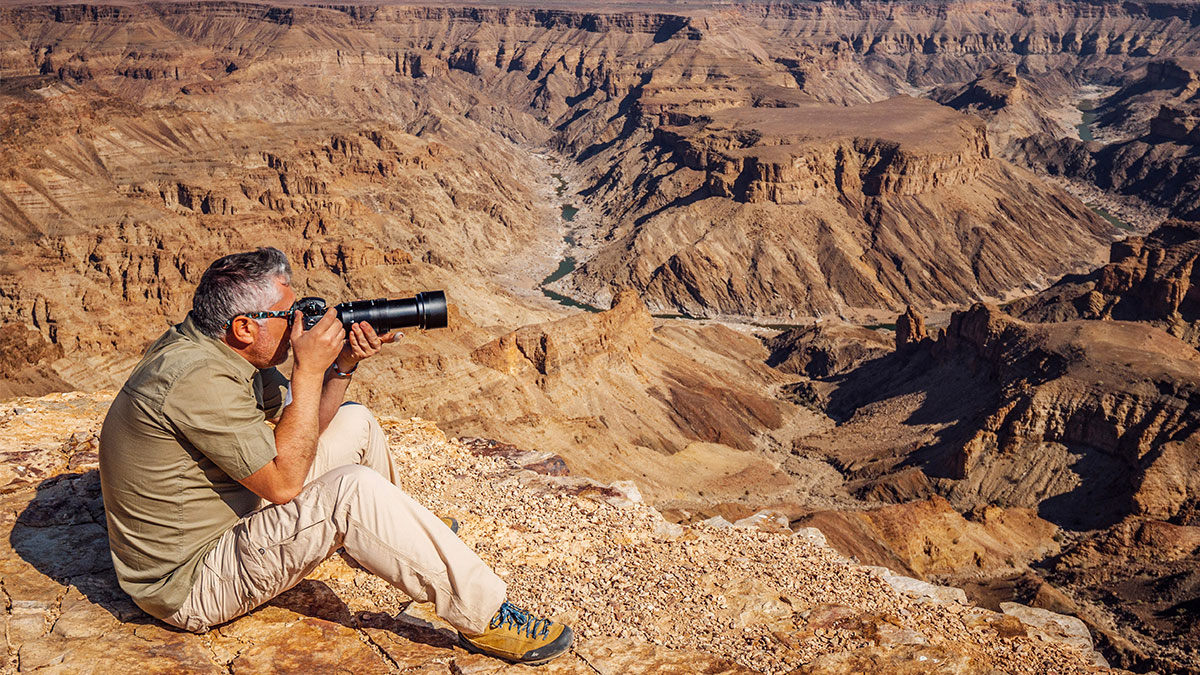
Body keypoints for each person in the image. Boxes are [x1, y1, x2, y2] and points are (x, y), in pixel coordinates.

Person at [98, 247, 572, 665]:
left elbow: (299, 429)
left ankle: (396, 538)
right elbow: (284, 484)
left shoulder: (223, 349)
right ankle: (483, 614)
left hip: (231, 513)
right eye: (288, 316)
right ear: (244, 327)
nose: (301, 324)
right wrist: (308, 370)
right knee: (351, 492)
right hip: (191, 582)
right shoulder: (197, 379)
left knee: (354, 419)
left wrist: (342, 365)